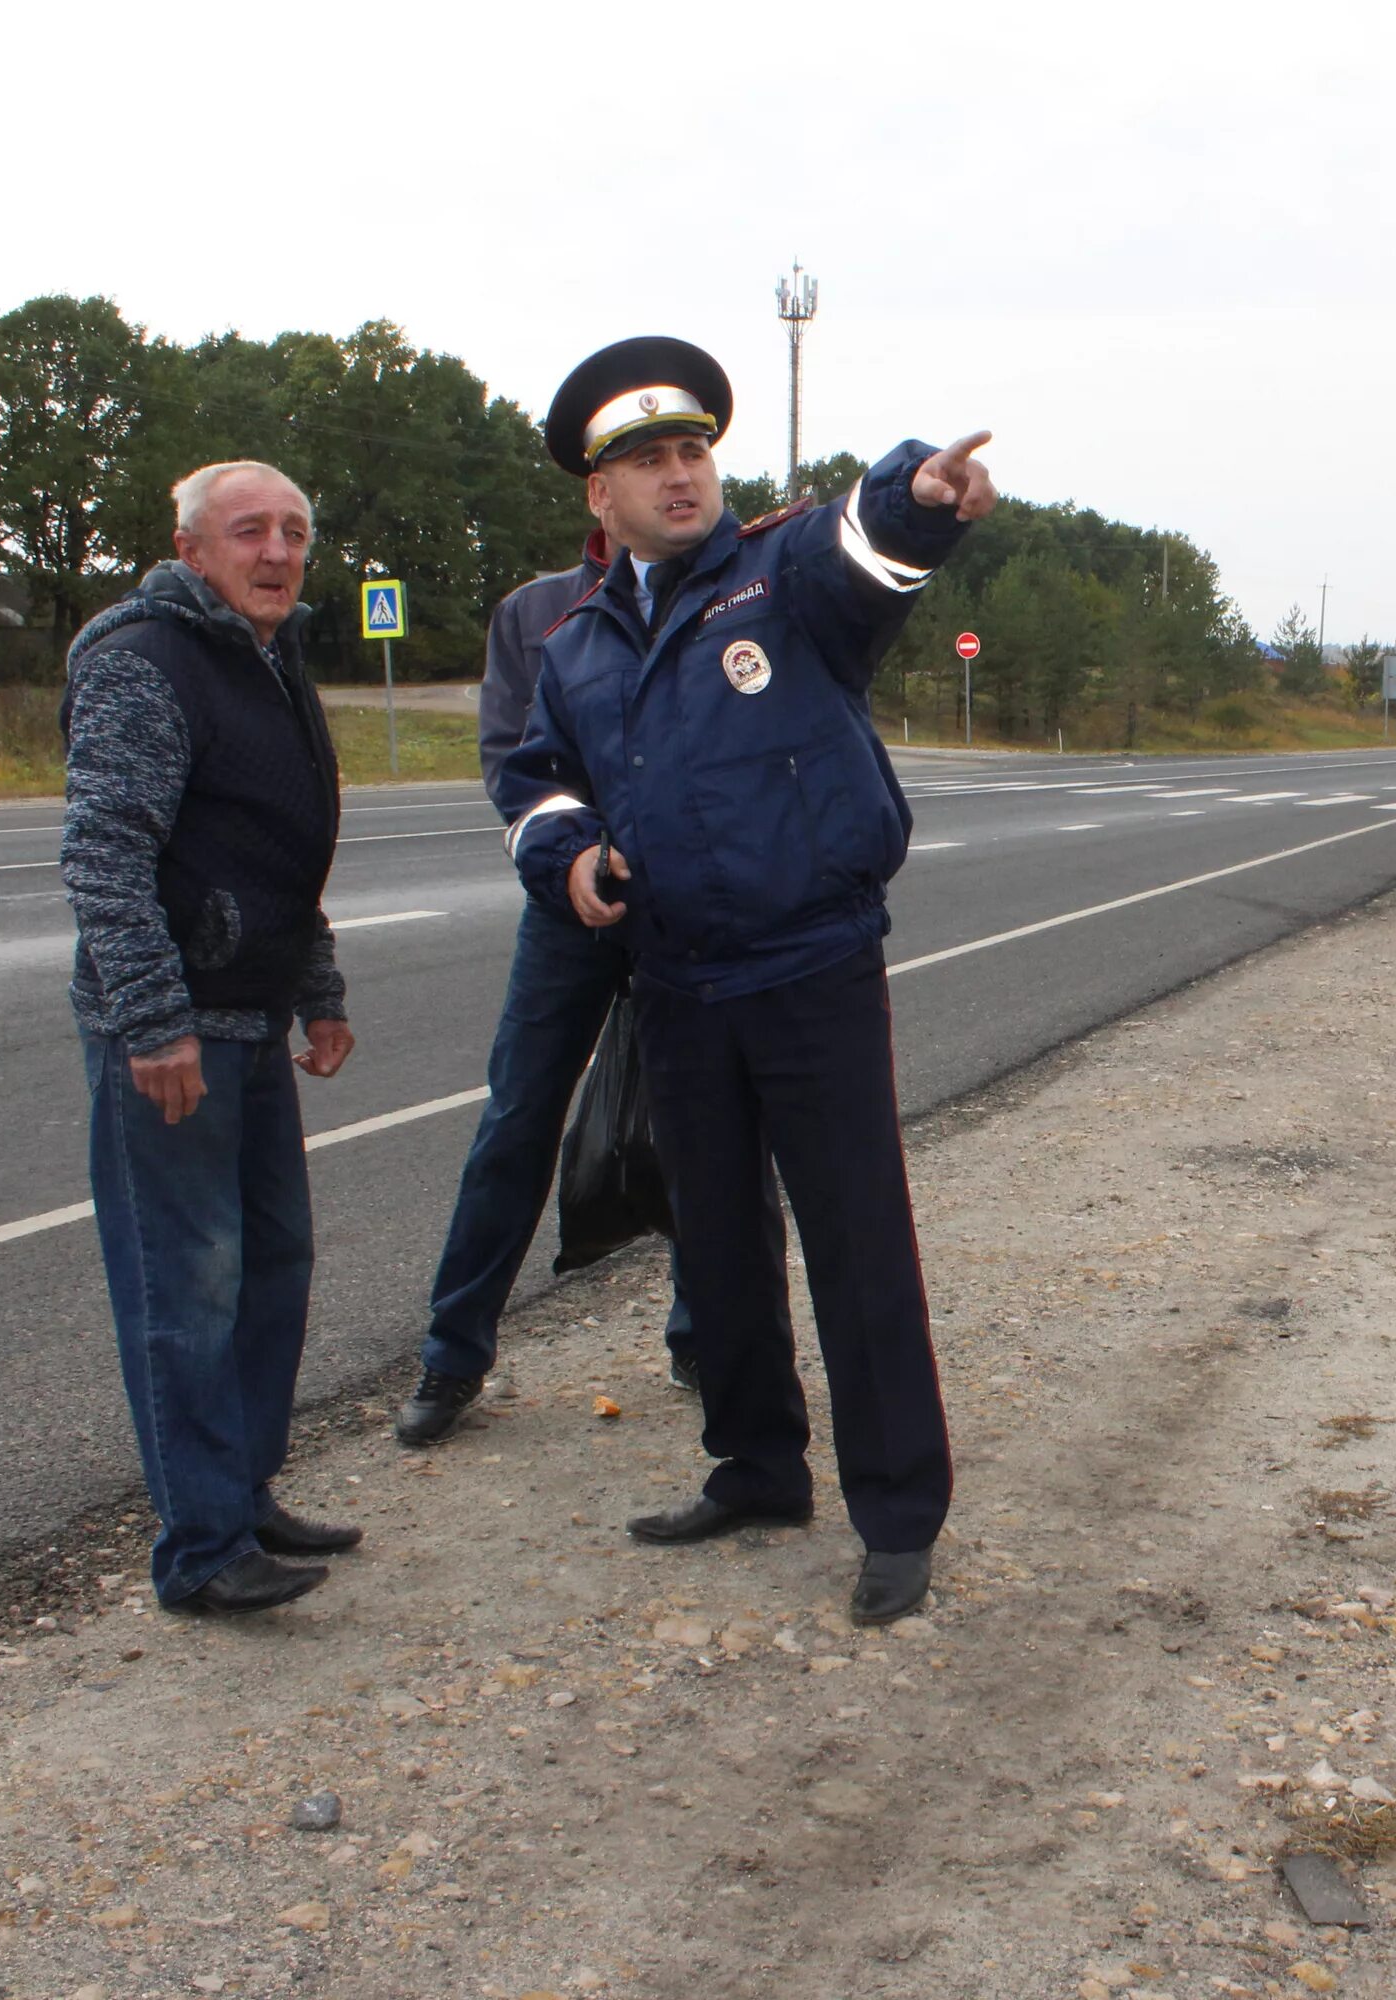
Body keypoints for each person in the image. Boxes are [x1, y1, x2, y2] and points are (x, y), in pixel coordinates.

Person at [502, 335, 994, 1625]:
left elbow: (868, 547)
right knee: (715, 1244)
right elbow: (536, 778)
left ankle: (898, 1510)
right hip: (675, 976)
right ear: (597, 497)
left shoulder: (781, 576)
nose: (680, 475)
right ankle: (756, 1466)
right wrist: (567, 854)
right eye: (648, 460)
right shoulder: (579, 644)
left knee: (855, 1240)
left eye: (693, 451)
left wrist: (917, 495)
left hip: (809, 964)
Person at [59, 459, 362, 1616]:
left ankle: (242, 1490)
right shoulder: (146, 661)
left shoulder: (271, 660)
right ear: (192, 549)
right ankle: (200, 1545)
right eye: (250, 531)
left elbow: (285, 850)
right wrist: (153, 1018)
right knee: (187, 1285)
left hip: (251, 1015)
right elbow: (104, 858)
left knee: (273, 1262)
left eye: (294, 531)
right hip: (172, 1036)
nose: (278, 551)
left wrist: (318, 988)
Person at [393, 527, 763, 1446]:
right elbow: (514, 765)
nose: (658, 476)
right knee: (517, 1117)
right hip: (570, 905)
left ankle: (709, 1342)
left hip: (693, 905)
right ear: (599, 488)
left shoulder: (737, 591)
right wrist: (577, 859)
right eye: (627, 459)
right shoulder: (534, 610)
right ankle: (453, 1354)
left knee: (710, 1124)